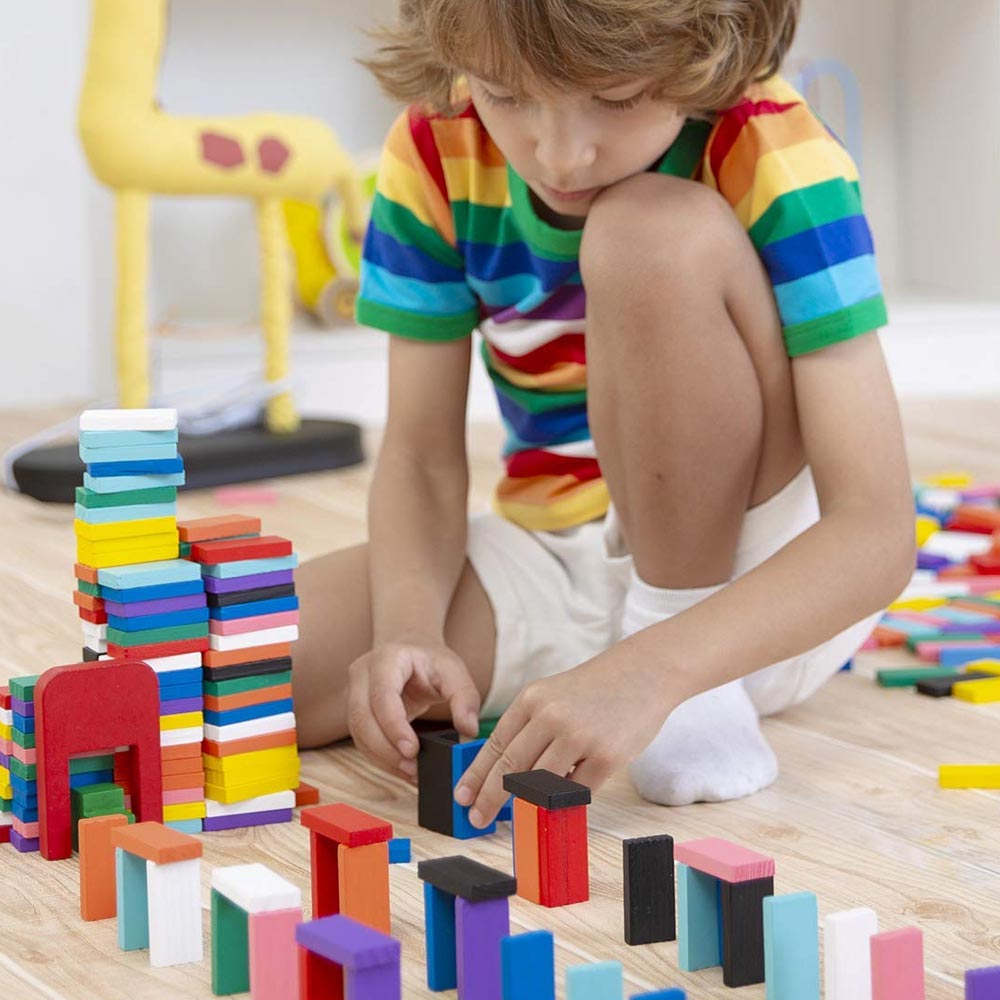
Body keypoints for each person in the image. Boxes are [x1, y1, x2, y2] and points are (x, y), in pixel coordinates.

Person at [291, 0, 915, 830]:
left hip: (751, 589)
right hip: (561, 558)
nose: (559, 153)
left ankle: (680, 662)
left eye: (615, 99)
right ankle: (620, 660)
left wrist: (657, 668)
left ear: (705, 42)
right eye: (507, 93)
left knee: (645, 232)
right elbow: (419, 456)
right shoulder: (437, 144)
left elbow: (876, 532)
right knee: (232, 667)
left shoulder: (773, 148)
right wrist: (412, 629)